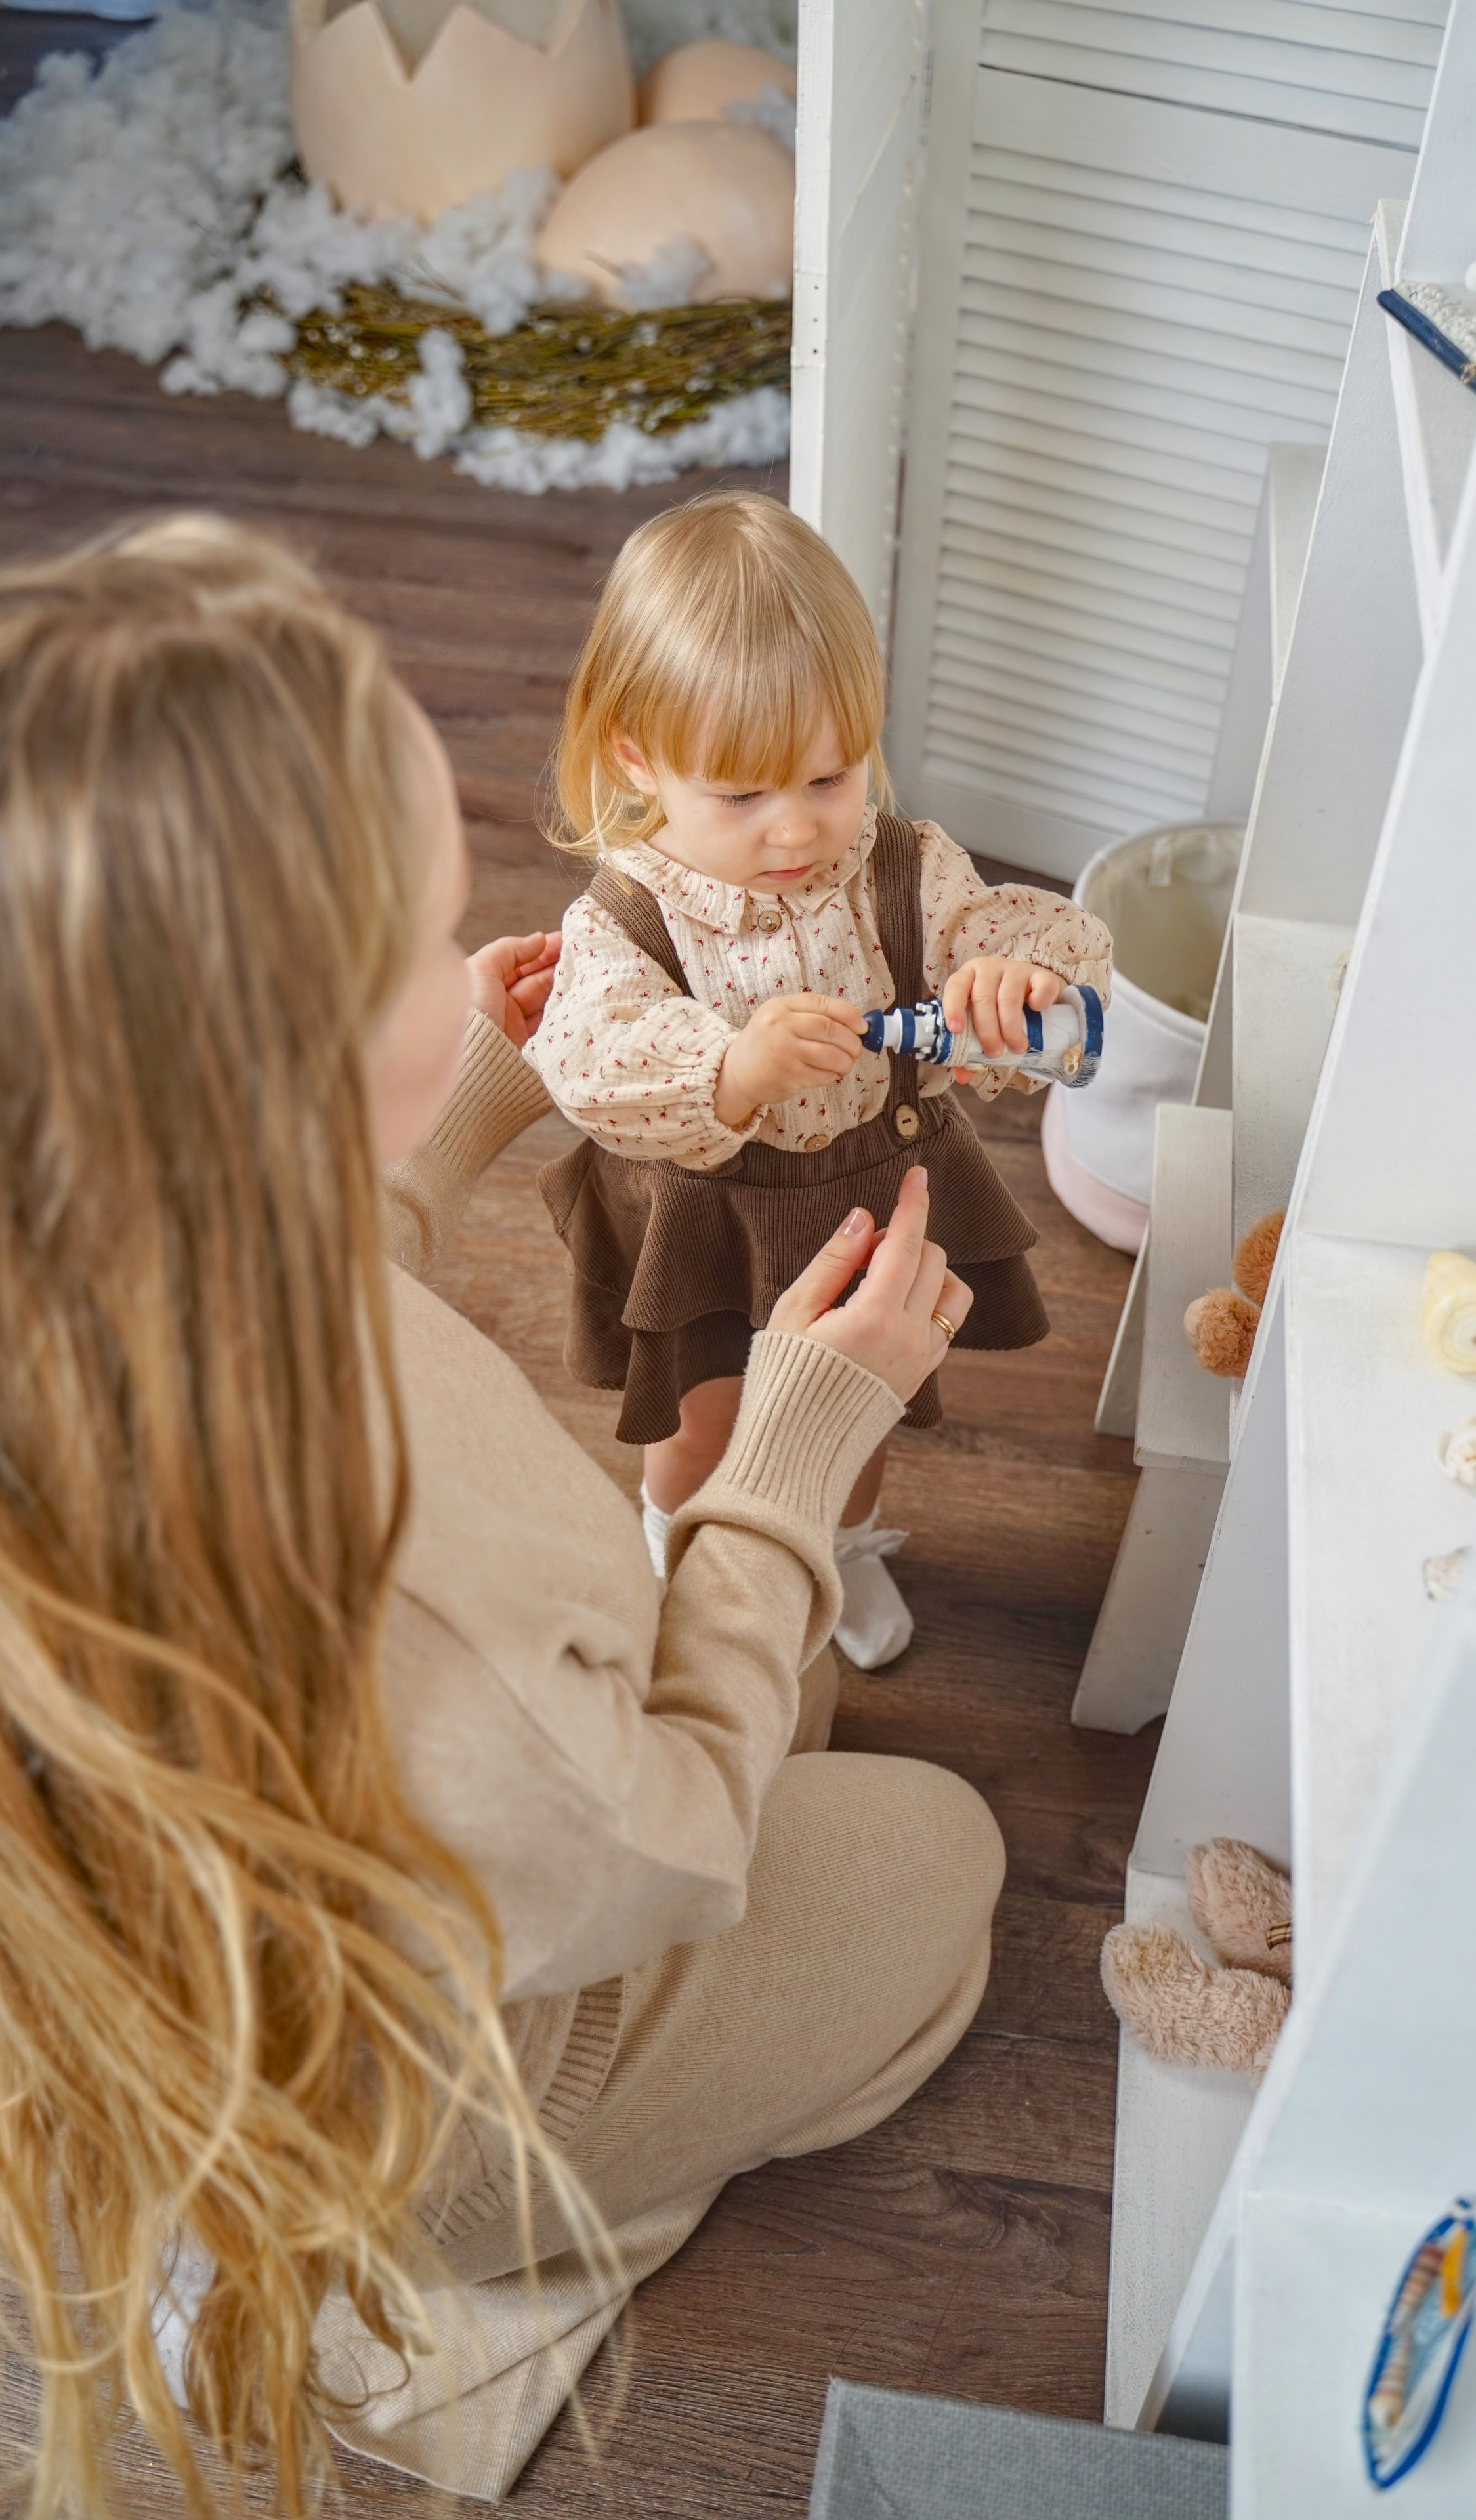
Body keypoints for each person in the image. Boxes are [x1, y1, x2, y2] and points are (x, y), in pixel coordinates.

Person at [0, 513, 1006, 2512]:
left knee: (780, 1685)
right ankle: (467, 2246)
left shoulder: (91, 1227)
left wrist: (456, 1112)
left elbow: (310, 1247)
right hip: (450, 2094)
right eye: (416, 918)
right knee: (943, 1852)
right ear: (272, 1039)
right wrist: (793, 1451)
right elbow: (655, 1845)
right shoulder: (388, 1558)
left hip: (305, 1925)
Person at [528, 493, 1112, 1669]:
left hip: (866, 1204)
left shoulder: (901, 868)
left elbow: (1024, 943)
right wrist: (732, 1066)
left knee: (854, 1409)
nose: (795, 829)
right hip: (708, 1223)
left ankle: (836, 1551)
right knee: (709, 1421)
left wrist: (1014, 980)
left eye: (828, 777)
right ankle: (681, 1558)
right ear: (640, 758)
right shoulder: (632, 910)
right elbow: (588, 1061)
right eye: (742, 796)